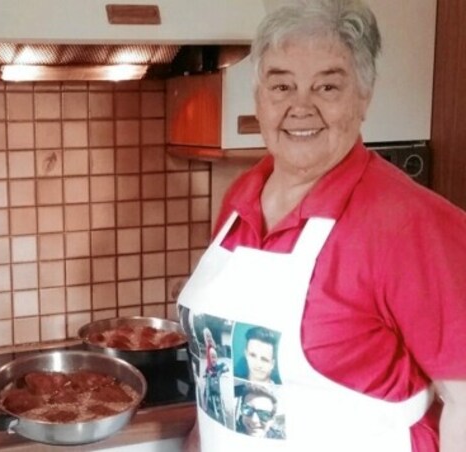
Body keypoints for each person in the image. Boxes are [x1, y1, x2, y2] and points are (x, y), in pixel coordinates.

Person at [177, 0, 466, 451]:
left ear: (364, 97)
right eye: (281, 87)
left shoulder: (410, 223)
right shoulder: (240, 200)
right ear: (259, 99)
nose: (300, 107)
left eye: (327, 87)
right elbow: (223, 380)